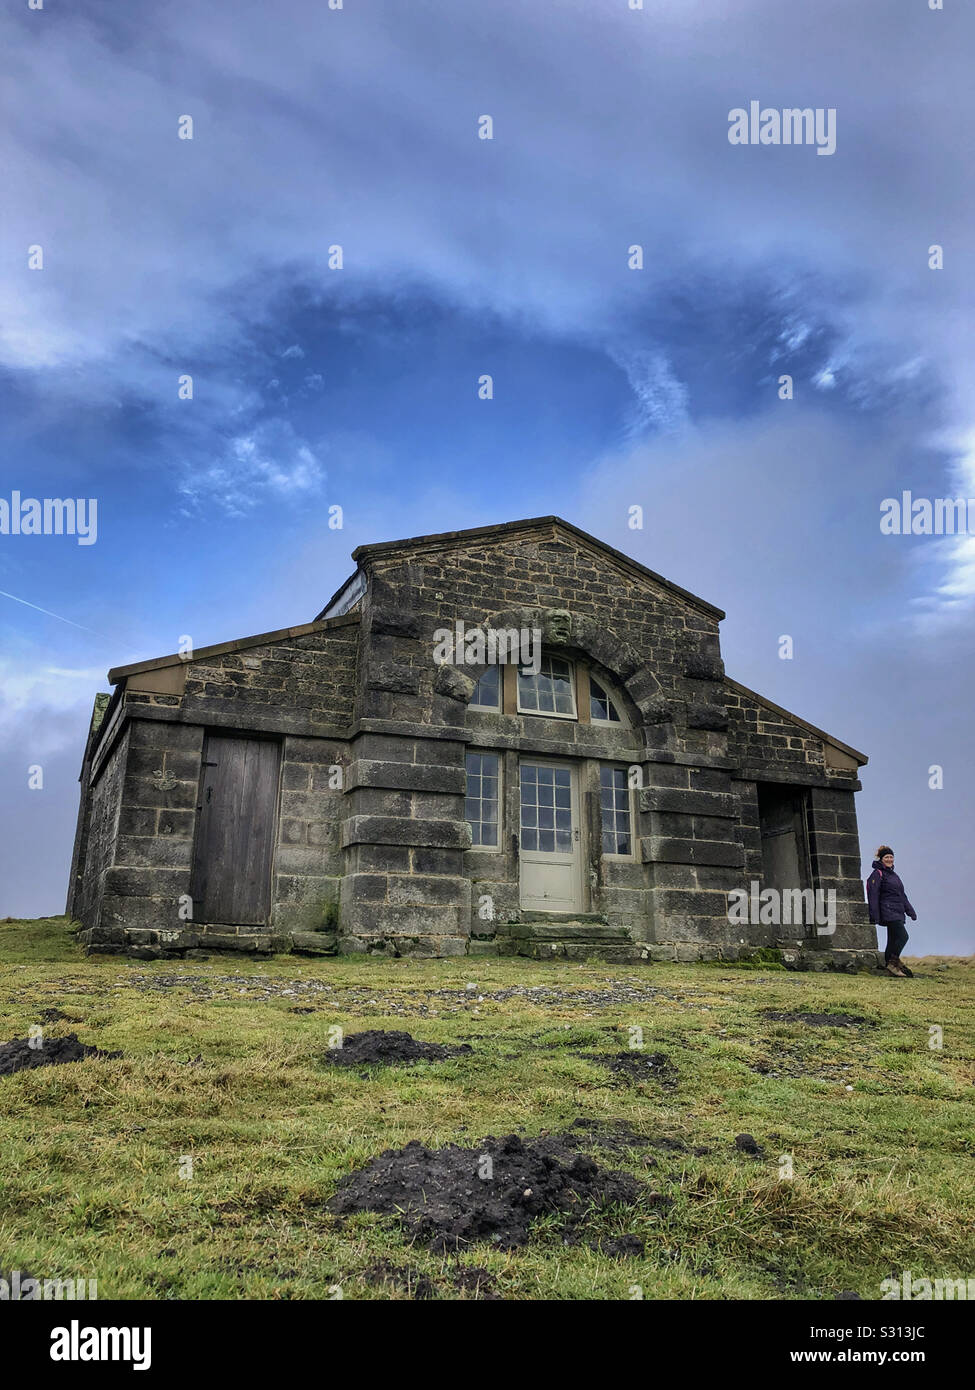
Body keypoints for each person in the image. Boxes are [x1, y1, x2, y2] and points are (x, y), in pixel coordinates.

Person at [866, 845, 917, 978]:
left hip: (898, 911)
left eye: (891, 857)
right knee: (903, 936)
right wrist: (874, 915)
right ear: (881, 859)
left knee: (892, 939)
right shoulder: (877, 874)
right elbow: (873, 895)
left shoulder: (894, 875)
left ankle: (890, 966)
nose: (889, 859)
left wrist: (910, 911)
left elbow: (902, 895)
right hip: (888, 911)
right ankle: (893, 963)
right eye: (886, 857)